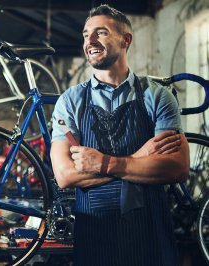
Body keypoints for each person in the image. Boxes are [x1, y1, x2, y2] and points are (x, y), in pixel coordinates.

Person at [51, 4, 189, 266]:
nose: (89, 41)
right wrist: (139, 158)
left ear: (126, 40)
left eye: (100, 33)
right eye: (85, 34)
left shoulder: (158, 96)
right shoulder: (69, 102)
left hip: (151, 240)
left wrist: (103, 163)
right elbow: (66, 176)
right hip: (95, 240)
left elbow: (177, 168)